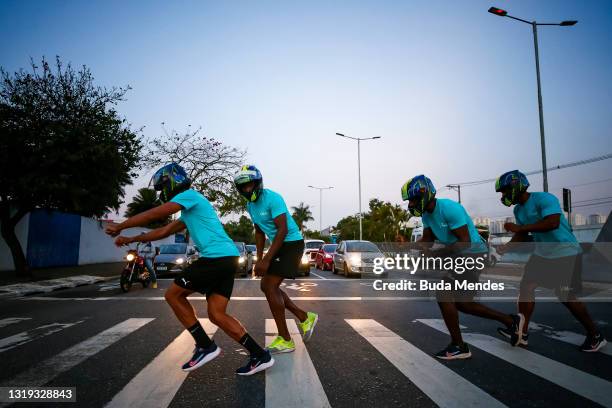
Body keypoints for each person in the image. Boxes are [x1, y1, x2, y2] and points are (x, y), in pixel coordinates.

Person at [105, 163, 274, 375]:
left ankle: (205, 345)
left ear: (171, 183)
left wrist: (121, 226)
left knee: (173, 295)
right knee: (216, 314)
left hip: (216, 258)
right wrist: (131, 238)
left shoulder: (189, 195)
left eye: (162, 187)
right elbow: (162, 231)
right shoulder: (189, 210)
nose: (162, 193)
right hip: (227, 258)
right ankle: (260, 355)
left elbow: (155, 214)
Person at [401, 175, 524, 360]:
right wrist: (410, 246)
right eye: (409, 200)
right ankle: (511, 321)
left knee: (443, 293)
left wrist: (436, 254)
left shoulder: (450, 208)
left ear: (425, 194)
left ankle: (459, 346)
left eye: (413, 199)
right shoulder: (427, 215)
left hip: (473, 253)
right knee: (464, 304)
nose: (410, 204)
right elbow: (428, 238)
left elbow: (464, 242)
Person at [495, 170, 607, 352]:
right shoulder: (518, 209)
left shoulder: (544, 199)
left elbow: (552, 223)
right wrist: (504, 248)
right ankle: (521, 333)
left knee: (565, 295)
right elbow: (522, 235)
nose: (503, 195)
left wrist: (520, 227)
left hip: (566, 251)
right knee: (526, 286)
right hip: (543, 254)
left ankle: (595, 335)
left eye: (505, 190)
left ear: (516, 186)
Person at [233, 165, 318, 353]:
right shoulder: (250, 205)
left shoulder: (273, 198)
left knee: (270, 286)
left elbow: (283, 230)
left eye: (250, 185)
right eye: (243, 187)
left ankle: (286, 339)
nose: (247, 189)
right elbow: (259, 231)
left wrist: (267, 260)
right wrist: (259, 258)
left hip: (291, 243)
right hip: (279, 245)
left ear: (257, 183)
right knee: (267, 286)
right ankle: (304, 317)